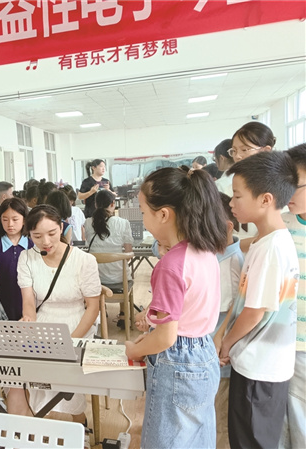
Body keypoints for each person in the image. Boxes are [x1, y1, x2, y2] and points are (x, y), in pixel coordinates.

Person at [125, 167, 228, 449]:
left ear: (163, 214)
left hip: (177, 361)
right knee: (197, 439)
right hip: (204, 351)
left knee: (166, 441)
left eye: (143, 212)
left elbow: (166, 338)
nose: (143, 220)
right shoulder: (205, 250)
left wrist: (134, 350)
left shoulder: (170, 265)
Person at [219, 152, 299, 449]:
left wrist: (226, 343)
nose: (231, 203)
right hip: (258, 364)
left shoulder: (271, 248)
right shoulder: (265, 241)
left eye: (237, 196)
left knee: (251, 441)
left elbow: (254, 312)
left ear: (266, 199)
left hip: (260, 367)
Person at [9, 205, 101, 427]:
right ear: (29, 234)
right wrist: (28, 320)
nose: (46, 242)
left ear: (61, 227)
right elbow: (29, 302)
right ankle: (42, 422)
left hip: (78, 322)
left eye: (52, 233)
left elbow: (92, 307)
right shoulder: (26, 258)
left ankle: (80, 422)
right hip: (44, 322)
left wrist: (71, 340)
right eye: (37, 236)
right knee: (34, 370)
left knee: (69, 373)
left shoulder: (84, 260)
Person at [210, 193, 245, 448]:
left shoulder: (233, 262)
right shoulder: (214, 257)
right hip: (209, 357)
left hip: (220, 360)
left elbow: (235, 312)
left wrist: (224, 345)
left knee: (218, 421)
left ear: (228, 226)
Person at [280, 144, 306, 449]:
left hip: (302, 345)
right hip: (283, 339)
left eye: (295, 185)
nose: (287, 193)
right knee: (283, 420)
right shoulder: (283, 225)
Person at [0, 197, 33, 321]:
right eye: (5, 220)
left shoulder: (33, 246)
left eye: (15, 219)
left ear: (24, 220)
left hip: (29, 307)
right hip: (1, 308)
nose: (10, 224)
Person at [84, 189, 134, 284]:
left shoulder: (88, 223)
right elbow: (128, 254)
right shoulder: (123, 223)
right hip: (120, 278)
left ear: (96, 205)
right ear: (113, 204)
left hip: (96, 279)